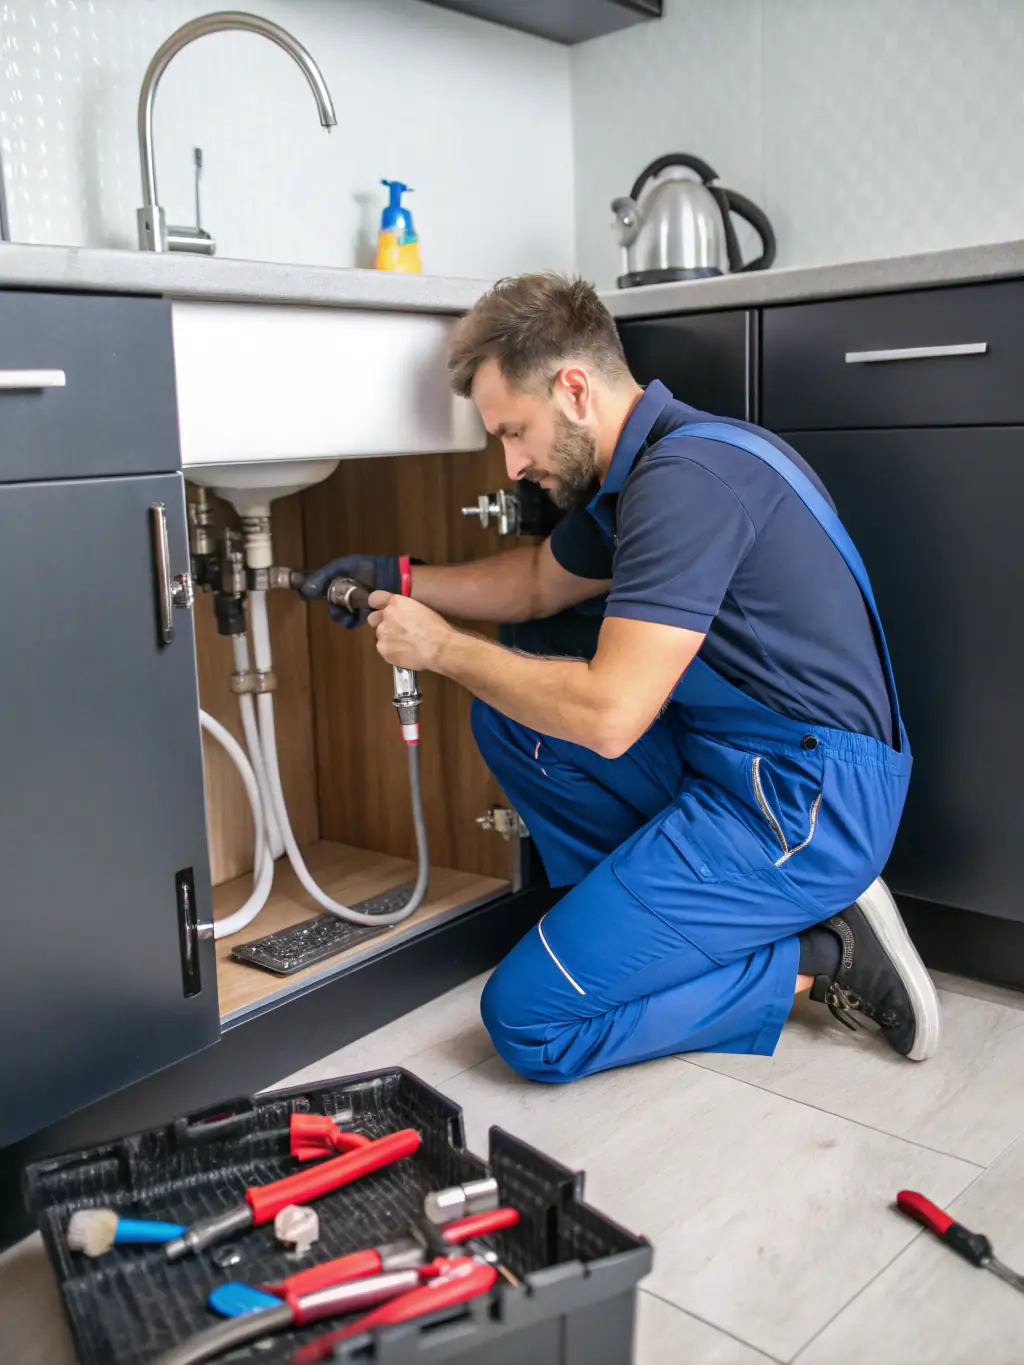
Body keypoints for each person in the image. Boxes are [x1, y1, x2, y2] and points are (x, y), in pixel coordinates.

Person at [302, 273, 940, 1083]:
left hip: (808, 802)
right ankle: (658, 931)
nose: (511, 463)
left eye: (514, 431)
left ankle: (823, 954)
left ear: (574, 388)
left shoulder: (686, 483)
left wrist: (444, 650)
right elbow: (537, 583)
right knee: (513, 717)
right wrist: (401, 576)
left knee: (530, 1022)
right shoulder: (645, 470)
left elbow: (609, 717)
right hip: (734, 757)